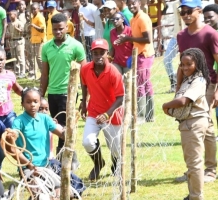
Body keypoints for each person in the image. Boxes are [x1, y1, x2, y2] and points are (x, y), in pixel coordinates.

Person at [10, 88, 86, 195]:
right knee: (41, 195)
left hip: (46, 166)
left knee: (63, 191)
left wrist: (69, 131)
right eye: (28, 102)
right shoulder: (18, 121)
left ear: (39, 102)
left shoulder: (45, 119)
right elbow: (13, 146)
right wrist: (30, 165)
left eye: (35, 102)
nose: (32, 105)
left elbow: (62, 134)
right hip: (29, 168)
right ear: (22, 103)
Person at [162, 48, 211, 200]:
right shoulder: (188, 79)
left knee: (194, 162)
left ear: (197, 64)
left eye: (189, 64)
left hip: (194, 123)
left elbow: (183, 101)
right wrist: (180, 73)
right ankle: (193, 194)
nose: (184, 68)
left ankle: (197, 199)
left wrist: (165, 105)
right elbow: (178, 92)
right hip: (189, 123)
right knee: (191, 160)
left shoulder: (198, 81)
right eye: (182, 65)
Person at [175, 0, 217, 183]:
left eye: (188, 11)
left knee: (202, 127)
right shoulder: (181, 35)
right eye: (182, 12)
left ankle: (209, 170)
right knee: (194, 127)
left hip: (208, 85)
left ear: (198, 11)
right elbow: (181, 64)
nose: (185, 15)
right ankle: (195, 170)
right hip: (188, 87)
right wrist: (178, 89)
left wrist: (216, 91)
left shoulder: (211, 34)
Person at [40, 13, 86, 169]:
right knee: (56, 127)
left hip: (69, 94)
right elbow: (44, 74)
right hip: (52, 94)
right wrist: (40, 95)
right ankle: (68, 158)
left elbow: (85, 72)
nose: (58, 32)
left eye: (61, 29)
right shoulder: (46, 47)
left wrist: (86, 97)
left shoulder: (76, 46)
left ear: (67, 27)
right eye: (54, 29)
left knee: (66, 128)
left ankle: (67, 160)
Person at [80, 39, 125, 181]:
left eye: (102, 53)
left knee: (116, 149)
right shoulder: (86, 69)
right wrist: (83, 101)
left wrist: (107, 114)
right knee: (87, 141)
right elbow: (84, 84)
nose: (98, 56)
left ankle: (116, 164)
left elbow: (120, 98)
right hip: (93, 111)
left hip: (112, 114)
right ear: (91, 54)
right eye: (95, 53)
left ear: (107, 54)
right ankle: (98, 163)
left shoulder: (113, 72)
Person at [115, 0, 155, 123]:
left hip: (145, 54)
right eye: (130, 4)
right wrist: (124, 40)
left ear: (139, 3)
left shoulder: (142, 18)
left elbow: (147, 39)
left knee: (141, 84)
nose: (132, 6)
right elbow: (135, 39)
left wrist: (128, 38)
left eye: (134, 3)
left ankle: (142, 116)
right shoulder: (133, 19)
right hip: (138, 54)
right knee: (145, 83)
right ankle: (149, 116)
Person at [165, 0, 185, 92]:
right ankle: (173, 83)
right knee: (166, 60)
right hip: (176, 36)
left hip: (188, 35)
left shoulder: (192, 3)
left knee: (185, 60)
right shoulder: (175, 4)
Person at [8, 8, 27, 77]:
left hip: (19, 41)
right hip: (13, 41)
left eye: (11, 15)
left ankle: (22, 72)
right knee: (14, 57)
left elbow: (23, 32)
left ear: (15, 15)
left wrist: (17, 29)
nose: (9, 16)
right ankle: (16, 71)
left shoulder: (19, 23)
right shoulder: (10, 24)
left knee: (20, 57)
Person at [29, 2, 46, 77]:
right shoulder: (33, 17)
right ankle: (40, 74)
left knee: (39, 58)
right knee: (35, 57)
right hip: (34, 40)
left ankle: (44, 74)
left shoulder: (40, 17)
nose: (33, 11)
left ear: (38, 9)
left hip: (40, 40)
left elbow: (42, 29)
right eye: (32, 9)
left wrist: (33, 25)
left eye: (34, 9)